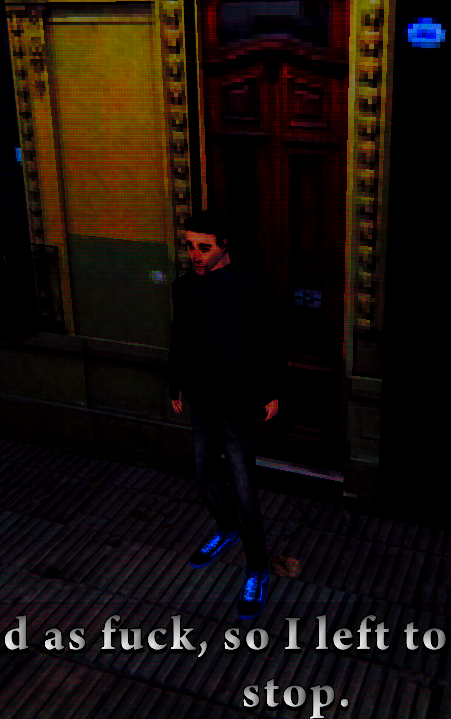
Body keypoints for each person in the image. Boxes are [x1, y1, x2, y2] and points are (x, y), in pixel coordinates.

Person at [167, 210, 283, 621]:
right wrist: (175, 382)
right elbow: (180, 336)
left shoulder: (249, 283)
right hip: (202, 399)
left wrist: (270, 390)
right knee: (204, 480)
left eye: (204, 247)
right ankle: (227, 529)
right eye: (190, 247)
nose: (195, 255)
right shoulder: (184, 288)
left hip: (236, 403)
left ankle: (257, 570)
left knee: (244, 489)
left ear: (224, 246)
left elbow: (269, 338)